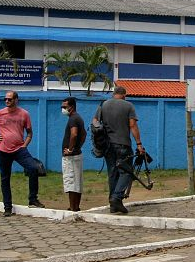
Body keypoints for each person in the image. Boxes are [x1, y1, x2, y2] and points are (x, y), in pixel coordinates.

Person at [0, 90, 45, 217]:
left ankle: (33, 199)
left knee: (33, 168)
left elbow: (29, 132)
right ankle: (7, 207)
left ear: (16, 100)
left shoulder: (24, 114)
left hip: (19, 149)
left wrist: (25, 144)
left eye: (9, 99)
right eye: (5, 99)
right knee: (5, 178)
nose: (7, 101)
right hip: (3, 151)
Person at [93, 85, 145, 214]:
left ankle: (113, 204)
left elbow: (94, 121)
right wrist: (139, 144)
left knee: (113, 172)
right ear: (124, 95)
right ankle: (116, 198)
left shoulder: (103, 105)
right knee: (126, 172)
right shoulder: (128, 106)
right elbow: (132, 125)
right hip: (123, 145)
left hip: (107, 146)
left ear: (113, 94)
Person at [60, 97, 86, 212]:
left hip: (71, 157)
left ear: (72, 107)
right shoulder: (78, 118)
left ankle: (72, 207)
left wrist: (70, 150)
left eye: (65, 107)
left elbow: (74, 134)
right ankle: (76, 207)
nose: (63, 109)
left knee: (71, 182)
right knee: (77, 182)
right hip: (77, 155)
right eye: (62, 107)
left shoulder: (73, 119)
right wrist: (78, 147)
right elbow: (84, 134)